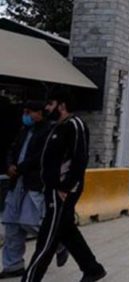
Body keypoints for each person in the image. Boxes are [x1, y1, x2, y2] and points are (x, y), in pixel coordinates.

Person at [23, 93, 106, 282]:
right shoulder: (57, 127)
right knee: (66, 231)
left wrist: (66, 186)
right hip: (52, 189)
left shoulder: (74, 125)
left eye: (50, 104)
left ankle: (30, 279)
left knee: (47, 238)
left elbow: (80, 158)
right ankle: (92, 269)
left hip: (62, 191)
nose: (46, 108)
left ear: (62, 105)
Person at [1, 101, 51, 279]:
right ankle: (13, 265)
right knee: (11, 224)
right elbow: (12, 150)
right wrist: (9, 165)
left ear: (39, 113)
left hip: (33, 184)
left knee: (29, 222)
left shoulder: (48, 132)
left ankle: (59, 239)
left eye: (28, 112)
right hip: (17, 183)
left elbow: (40, 157)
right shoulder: (24, 131)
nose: (26, 115)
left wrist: (21, 168)